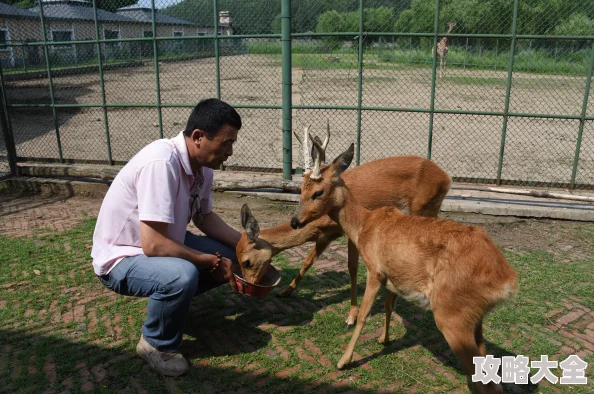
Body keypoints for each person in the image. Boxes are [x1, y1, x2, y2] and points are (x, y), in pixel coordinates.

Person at [91, 98, 241, 377]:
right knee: (181, 275)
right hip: (122, 256)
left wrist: (245, 245)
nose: (230, 151)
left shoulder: (203, 168)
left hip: (160, 247)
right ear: (198, 137)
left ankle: (172, 308)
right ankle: (156, 343)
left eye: (232, 143)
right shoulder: (162, 163)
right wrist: (204, 260)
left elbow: (204, 217)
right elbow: (153, 243)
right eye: (226, 142)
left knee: (233, 257)